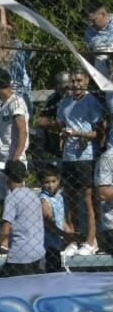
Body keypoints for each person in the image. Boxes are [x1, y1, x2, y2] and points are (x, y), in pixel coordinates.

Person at [37, 67, 102, 256]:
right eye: (73, 81)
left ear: (86, 82)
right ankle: (73, 240)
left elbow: (98, 133)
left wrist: (80, 134)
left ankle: (91, 241)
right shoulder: (64, 103)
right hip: (68, 157)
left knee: (88, 200)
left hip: (86, 156)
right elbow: (60, 125)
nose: (75, 85)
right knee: (70, 199)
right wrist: (57, 129)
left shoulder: (91, 102)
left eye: (79, 81)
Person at [0, 160, 44, 274]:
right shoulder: (33, 196)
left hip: (20, 255)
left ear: (8, 178)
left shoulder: (11, 198)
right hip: (38, 252)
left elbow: (5, 231)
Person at [0, 68, 29, 200]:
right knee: (3, 200)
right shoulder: (3, 105)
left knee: (16, 199)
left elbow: (22, 131)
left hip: (14, 159)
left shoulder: (16, 102)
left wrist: (15, 158)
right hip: (1, 159)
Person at [39, 168, 73, 273]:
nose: (51, 185)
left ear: (58, 180)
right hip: (47, 245)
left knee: (57, 268)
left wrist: (69, 232)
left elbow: (61, 219)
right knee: (52, 270)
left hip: (57, 241)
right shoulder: (43, 200)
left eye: (53, 181)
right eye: (47, 182)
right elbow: (49, 223)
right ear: (41, 183)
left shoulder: (59, 197)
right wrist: (62, 233)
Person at [84, 0, 113, 72]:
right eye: (89, 21)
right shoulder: (89, 31)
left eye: (93, 20)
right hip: (100, 76)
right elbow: (89, 54)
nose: (91, 24)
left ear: (102, 15)